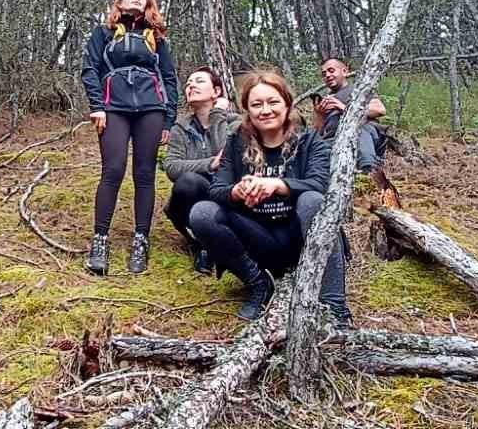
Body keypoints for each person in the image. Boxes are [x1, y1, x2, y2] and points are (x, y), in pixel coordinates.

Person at [189, 70, 353, 323]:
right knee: (202, 213)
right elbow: (216, 189)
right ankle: (259, 284)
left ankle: (334, 305)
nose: (265, 110)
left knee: (312, 201)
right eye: (256, 104)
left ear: (287, 104)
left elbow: (321, 185)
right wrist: (237, 191)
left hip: (300, 238)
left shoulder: (309, 142)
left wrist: (278, 185)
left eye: (273, 102)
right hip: (260, 238)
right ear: (248, 111)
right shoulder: (237, 143)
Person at [80, 0, 179, 276]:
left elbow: (169, 79)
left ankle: (141, 240)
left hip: (151, 109)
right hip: (113, 108)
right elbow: (90, 69)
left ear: (149, 5)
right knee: (113, 169)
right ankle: (100, 241)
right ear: (120, 2)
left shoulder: (157, 39)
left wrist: (169, 119)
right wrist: (97, 105)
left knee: (145, 174)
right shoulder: (103, 33)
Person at [161, 66, 240, 274]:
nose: (191, 85)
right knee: (188, 182)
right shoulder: (180, 127)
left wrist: (217, 115)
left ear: (216, 92)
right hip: (190, 201)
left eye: (198, 81)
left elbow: (228, 160)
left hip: (227, 199)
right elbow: (171, 167)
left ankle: (221, 243)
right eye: (188, 83)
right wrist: (210, 163)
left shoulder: (236, 123)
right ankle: (201, 245)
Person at [310, 57, 387, 173]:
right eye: (324, 73)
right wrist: (320, 114)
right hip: (334, 140)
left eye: (331, 71)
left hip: (363, 135)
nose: (327, 75)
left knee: (359, 130)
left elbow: (380, 110)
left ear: (344, 71)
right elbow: (318, 133)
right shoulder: (324, 99)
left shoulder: (358, 90)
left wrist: (344, 108)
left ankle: (369, 172)